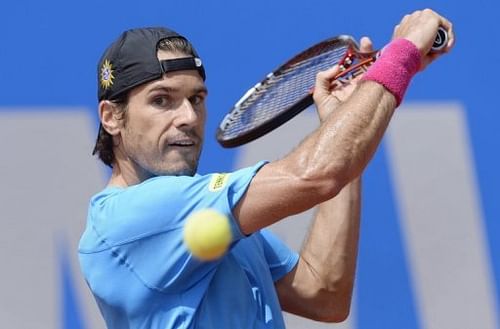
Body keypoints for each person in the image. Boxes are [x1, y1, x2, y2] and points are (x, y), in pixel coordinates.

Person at [78, 9, 454, 329]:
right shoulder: (134, 217)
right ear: (112, 117)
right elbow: (316, 174)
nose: (188, 117)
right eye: (162, 101)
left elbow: (323, 293)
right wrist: (400, 56)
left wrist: (341, 122)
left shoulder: (204, 214)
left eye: (196, 99)